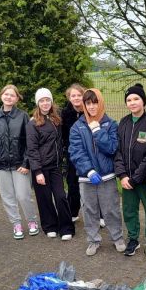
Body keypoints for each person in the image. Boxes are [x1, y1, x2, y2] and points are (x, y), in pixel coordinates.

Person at [69, 88, 125, 256]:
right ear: (84, 105)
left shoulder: (111, 124)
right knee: (89, 210)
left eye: (95, 103)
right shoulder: (77, 127)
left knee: (111, 209)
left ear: (100, 103)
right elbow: (76, 152)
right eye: (88, 103)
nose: (92, 107)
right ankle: (93, 240)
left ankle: (117, 238)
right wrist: (89, 170)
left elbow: (112, 148)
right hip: (87, 178)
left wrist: (97, 131)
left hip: (107, 176)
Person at [0, 84, 39, 240]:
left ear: (17, 99)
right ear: (1, 96)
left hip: (19, 165)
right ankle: (16, 223)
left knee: (23, 195)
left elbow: (29, 142)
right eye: (6, 94)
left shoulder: (22, 116)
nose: (9, 97)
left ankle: (31, 221)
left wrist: (26, 162)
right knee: (7, 197)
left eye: (12, 95)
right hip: (1, 165)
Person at [114, 83, 146, 257]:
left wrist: (136, 178)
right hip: (127, 180)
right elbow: (117, 151)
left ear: (143, 101)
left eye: (136, 99)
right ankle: (133, 239)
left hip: (145, 178)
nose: (132, 103)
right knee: (129, 209)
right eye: (129, 100)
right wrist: (123, 175)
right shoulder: (124, 122)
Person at [26, 88, 75, 240]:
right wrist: (37, 171)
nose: (45, 103)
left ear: (51, 102)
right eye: (42, 101)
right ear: (37, 103)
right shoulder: (33, 123)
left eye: (47, 100)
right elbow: (32, 149)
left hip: (55, 167)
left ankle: (66, 227)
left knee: (60, 197)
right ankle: (50, 226)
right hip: (40, 168)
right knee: (44, 199)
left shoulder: (56, 119)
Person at [61, 83, 85, 222]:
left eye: (79, 95)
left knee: (93, 185)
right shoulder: (65, 114)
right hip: (72, 155)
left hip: (89, 154)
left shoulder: (89, 111)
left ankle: (100, 215)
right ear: (69, 98)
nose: (76, 98)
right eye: (73, 96)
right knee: (72, 183)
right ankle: (73, 212)